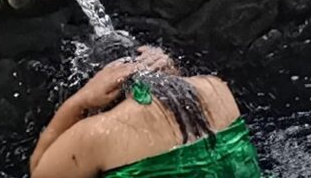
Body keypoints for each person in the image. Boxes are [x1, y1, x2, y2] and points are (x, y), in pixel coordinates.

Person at [29, 45, 259, 178]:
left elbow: (39, 171)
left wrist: (79, 101)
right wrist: (172, 78)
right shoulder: (214, 87)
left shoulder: (96, 134)